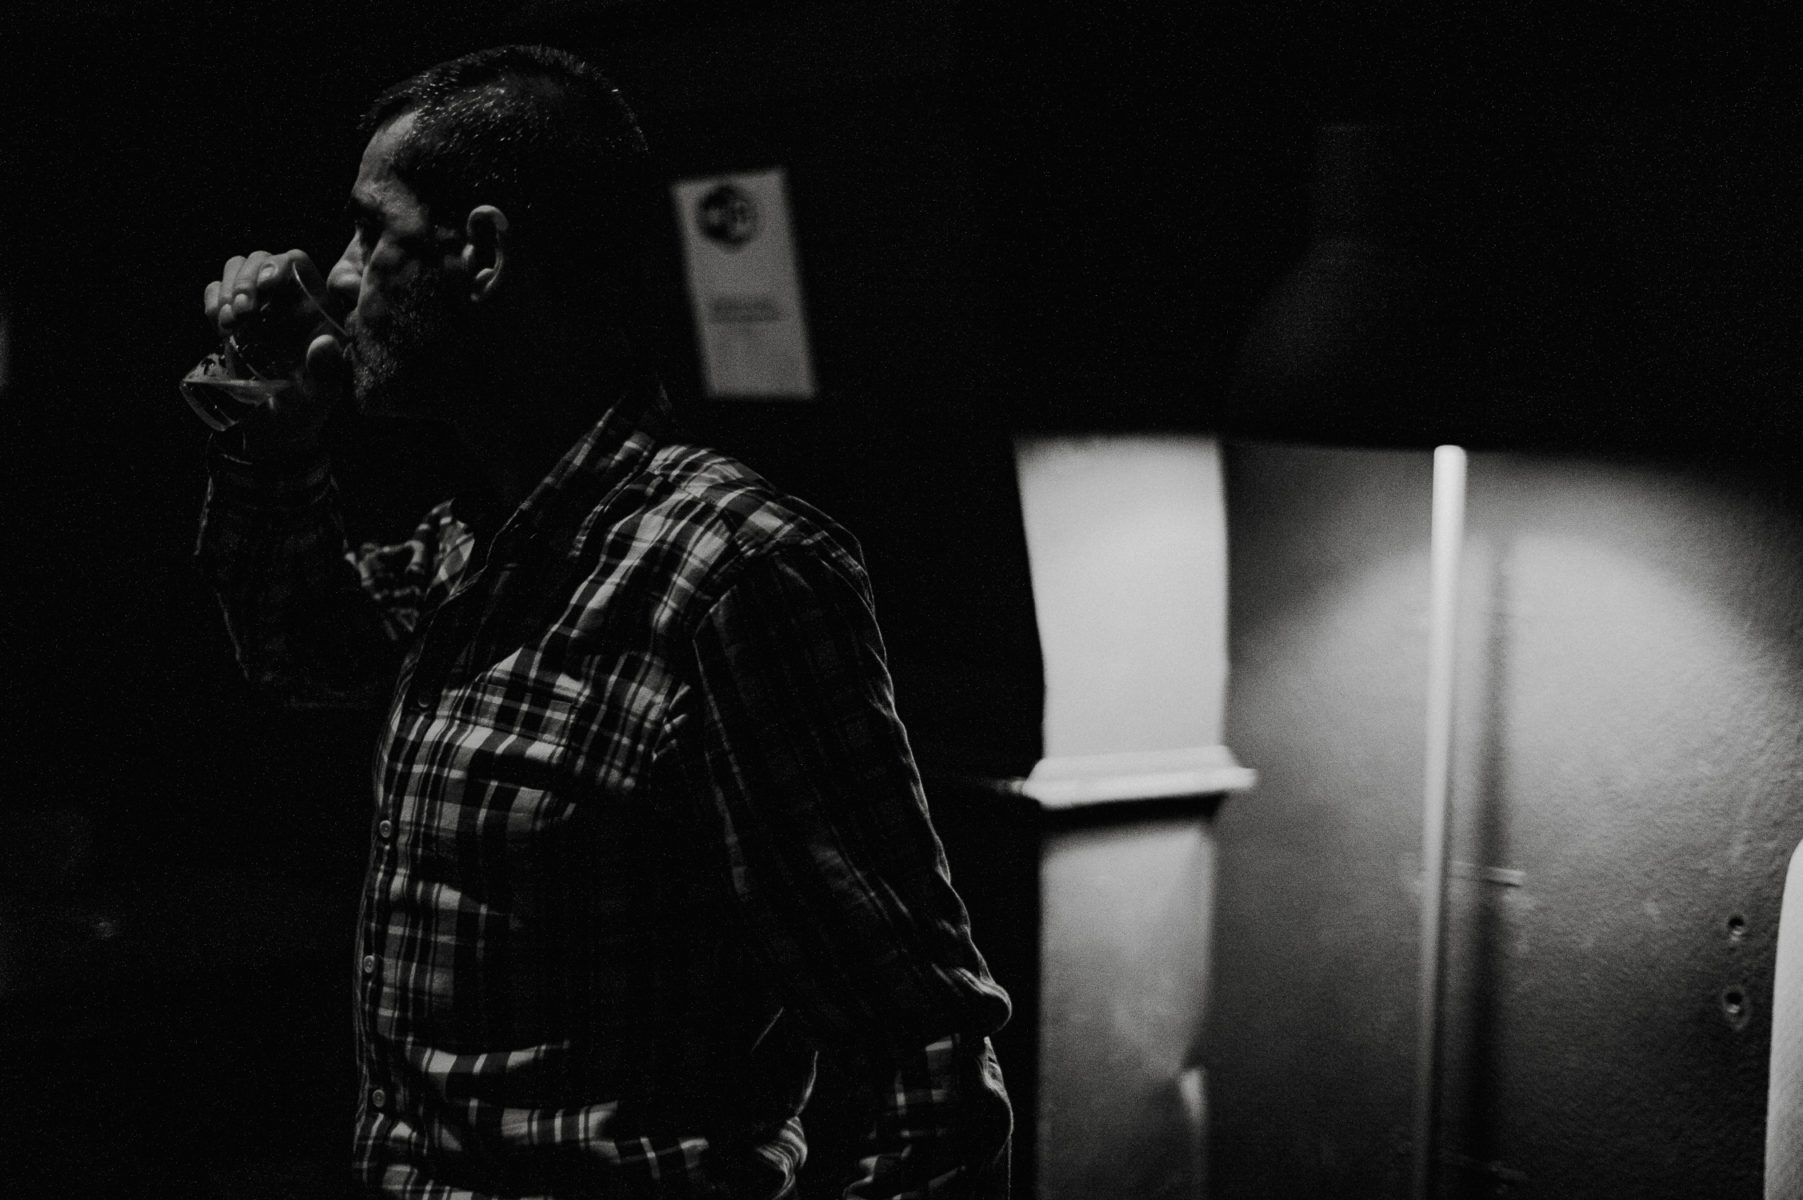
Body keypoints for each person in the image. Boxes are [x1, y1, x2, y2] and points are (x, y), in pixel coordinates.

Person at [191, 44, 1011, 1199]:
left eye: (372, 231)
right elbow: (299, 650)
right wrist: (274, 439)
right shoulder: (469, 543)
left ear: (481, 254)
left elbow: (923, 1062)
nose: (337, 275)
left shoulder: (733, 577)